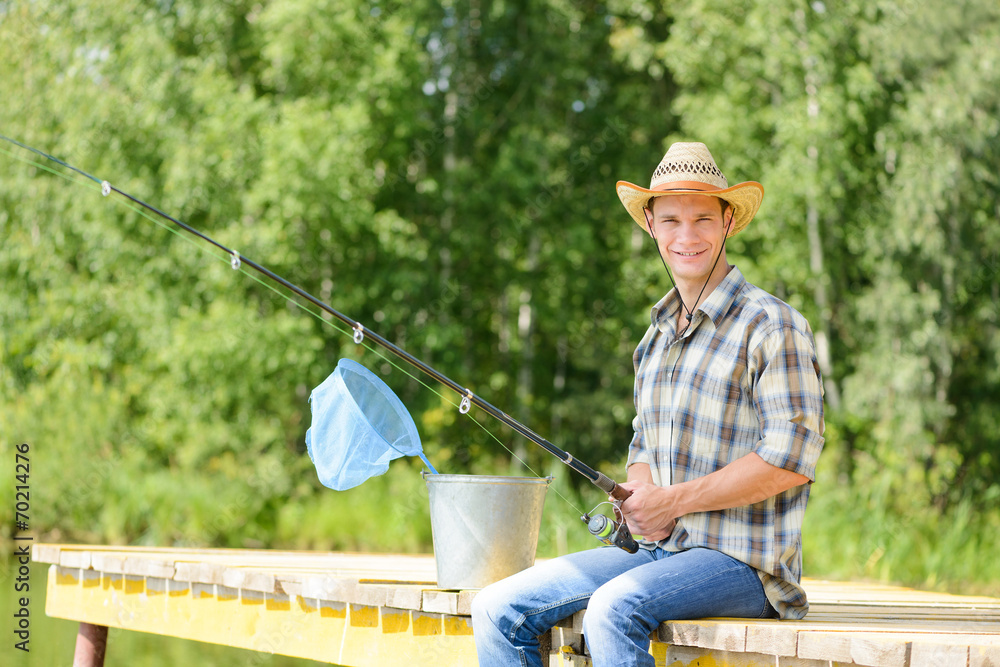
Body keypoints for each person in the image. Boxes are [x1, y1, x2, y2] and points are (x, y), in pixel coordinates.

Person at [471, 141, 825, 667]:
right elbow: (644, 445)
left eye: (703, 218)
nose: (687, 236)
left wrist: (674, 501)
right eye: (671, 220)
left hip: (745, 567)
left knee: (612, 609)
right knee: (498, 607)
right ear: (652, 228)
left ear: (728, 221)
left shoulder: (772, 325)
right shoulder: (654, 338)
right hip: (659, 555)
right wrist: (643, 503)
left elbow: (789, 461)